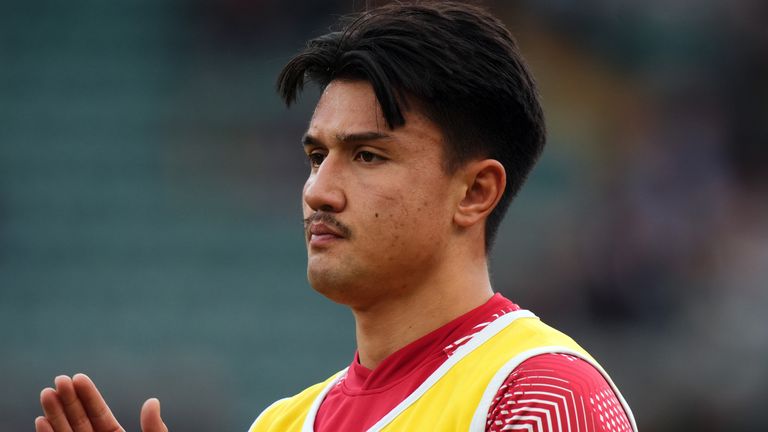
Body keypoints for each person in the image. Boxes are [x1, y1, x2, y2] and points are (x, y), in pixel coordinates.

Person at [35, 2, 637, 431]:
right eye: (316, 156)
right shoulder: (280, 423)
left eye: (368, 155)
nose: (318, 191)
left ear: (475, 192)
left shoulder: (539, 397)